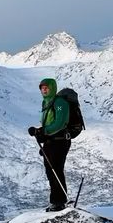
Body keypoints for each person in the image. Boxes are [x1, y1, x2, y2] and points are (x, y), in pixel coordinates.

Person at [28, 78, 71, 211]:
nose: (44, 90)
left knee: (55, 169)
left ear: (53, 87)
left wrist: (43, 131)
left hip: (60, 141)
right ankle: (57, 200)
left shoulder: (59, 102)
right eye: (42, 88)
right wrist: (41, 133)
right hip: (52, 141)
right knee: (50, 170)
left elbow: (60, 123)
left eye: (47, 87)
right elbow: (49, 123)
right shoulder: (47, 102)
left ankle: (59, 202)